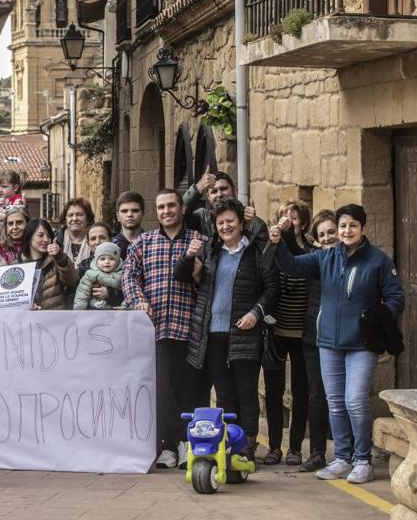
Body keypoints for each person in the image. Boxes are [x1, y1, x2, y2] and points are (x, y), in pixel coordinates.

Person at [271, 204, 404, 484]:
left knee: (354, 401)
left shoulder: (379, 261)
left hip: (362, 344)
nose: (346, 231)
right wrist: (278, 242)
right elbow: (292, 266)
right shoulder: (325, 257)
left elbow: (395, 298)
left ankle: (362, 460)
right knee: (335, 403)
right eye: (343, 226)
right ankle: (342, 458)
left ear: (362, 229)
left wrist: (376, 318)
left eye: (352, 226)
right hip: (328, 343)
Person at [174, 199, 279, 461]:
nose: (225, 226)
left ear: (241, 223)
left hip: (245, 333)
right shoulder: (210, 250)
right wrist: (189, 254)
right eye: (220, 222)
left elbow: (272, 289)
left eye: (230, 221)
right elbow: (181, 274)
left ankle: (248, 446)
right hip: (213, 334)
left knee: (247, 393)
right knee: (223, 395)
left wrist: (256, 313)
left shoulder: (257, 251)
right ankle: (228, 444)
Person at [123, 189, 209, 469]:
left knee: (188, 390)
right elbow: (129, 276)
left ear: (182, 209)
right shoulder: (143, 243)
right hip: (155, 328)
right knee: (162, 390)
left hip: (189, 327)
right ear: (156, 211)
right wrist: (138, 300)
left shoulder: (200, 242)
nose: (166, 211)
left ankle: (182, 444)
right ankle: (170, 445)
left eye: (171, 205)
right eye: (161, 207)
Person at [262, 199, 313, 467]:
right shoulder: (271, 247)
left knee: (301, 392)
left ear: (302, 223)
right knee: (273, 391)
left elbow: (294, 258)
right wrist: (274, 241)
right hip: (276, 331)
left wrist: (284, 240)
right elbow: (264, 268)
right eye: (282, 217)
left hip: (303, 333)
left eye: (292, 218)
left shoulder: (311, 252)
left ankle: (294, 448)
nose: (287, 221)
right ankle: (273, 447)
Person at [296, 209, 338, 473]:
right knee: (317, 396)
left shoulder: (355, 260)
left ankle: (354, 452)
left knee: (346, 397)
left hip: (346, 339)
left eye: (330, 232)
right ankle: (317, 453)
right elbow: (290, 261)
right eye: (321, 234)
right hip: (314, 335)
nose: (326, 238)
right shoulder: (316, 260)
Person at [182, 168, 266, 238]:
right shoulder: (202, 218)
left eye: (223, 189)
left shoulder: (250, 220)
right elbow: (177, 215)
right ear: (208, 196)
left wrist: (248, 225)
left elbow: (263, 254)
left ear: (233, 189)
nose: (219, 194)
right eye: (214, 191)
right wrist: (197, 188)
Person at [19, 219, 79, 310]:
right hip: (26, 321)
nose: (46, 239)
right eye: (40, 235)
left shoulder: (56, 261)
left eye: (48, 236)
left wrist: (60, 257)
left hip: (54, 320)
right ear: (29, 236)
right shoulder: (16, 265)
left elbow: (72, 280)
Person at [74, 242, 124, 310]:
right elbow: (82, 294)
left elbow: (126, 294)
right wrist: (79, 311)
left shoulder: (123, 274)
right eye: (102, 259)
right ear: (96, 261)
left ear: (118, 261)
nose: (107, 262)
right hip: (94, 309)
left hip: (115, 310)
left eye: (111, 259)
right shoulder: (90, 274)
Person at [56, 198, 95, 271]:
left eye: (79, 215)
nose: (74, 219)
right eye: (70, 215)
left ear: (88, 218)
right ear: (65, 219)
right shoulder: (56, 241)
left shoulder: (95, 240)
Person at [113, 191, 145, 259]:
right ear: (118, 216)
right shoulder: (111, 246)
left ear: (143, 214)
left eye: (135, 211)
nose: (129, 214)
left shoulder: (152, 244)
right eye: (124, 211)